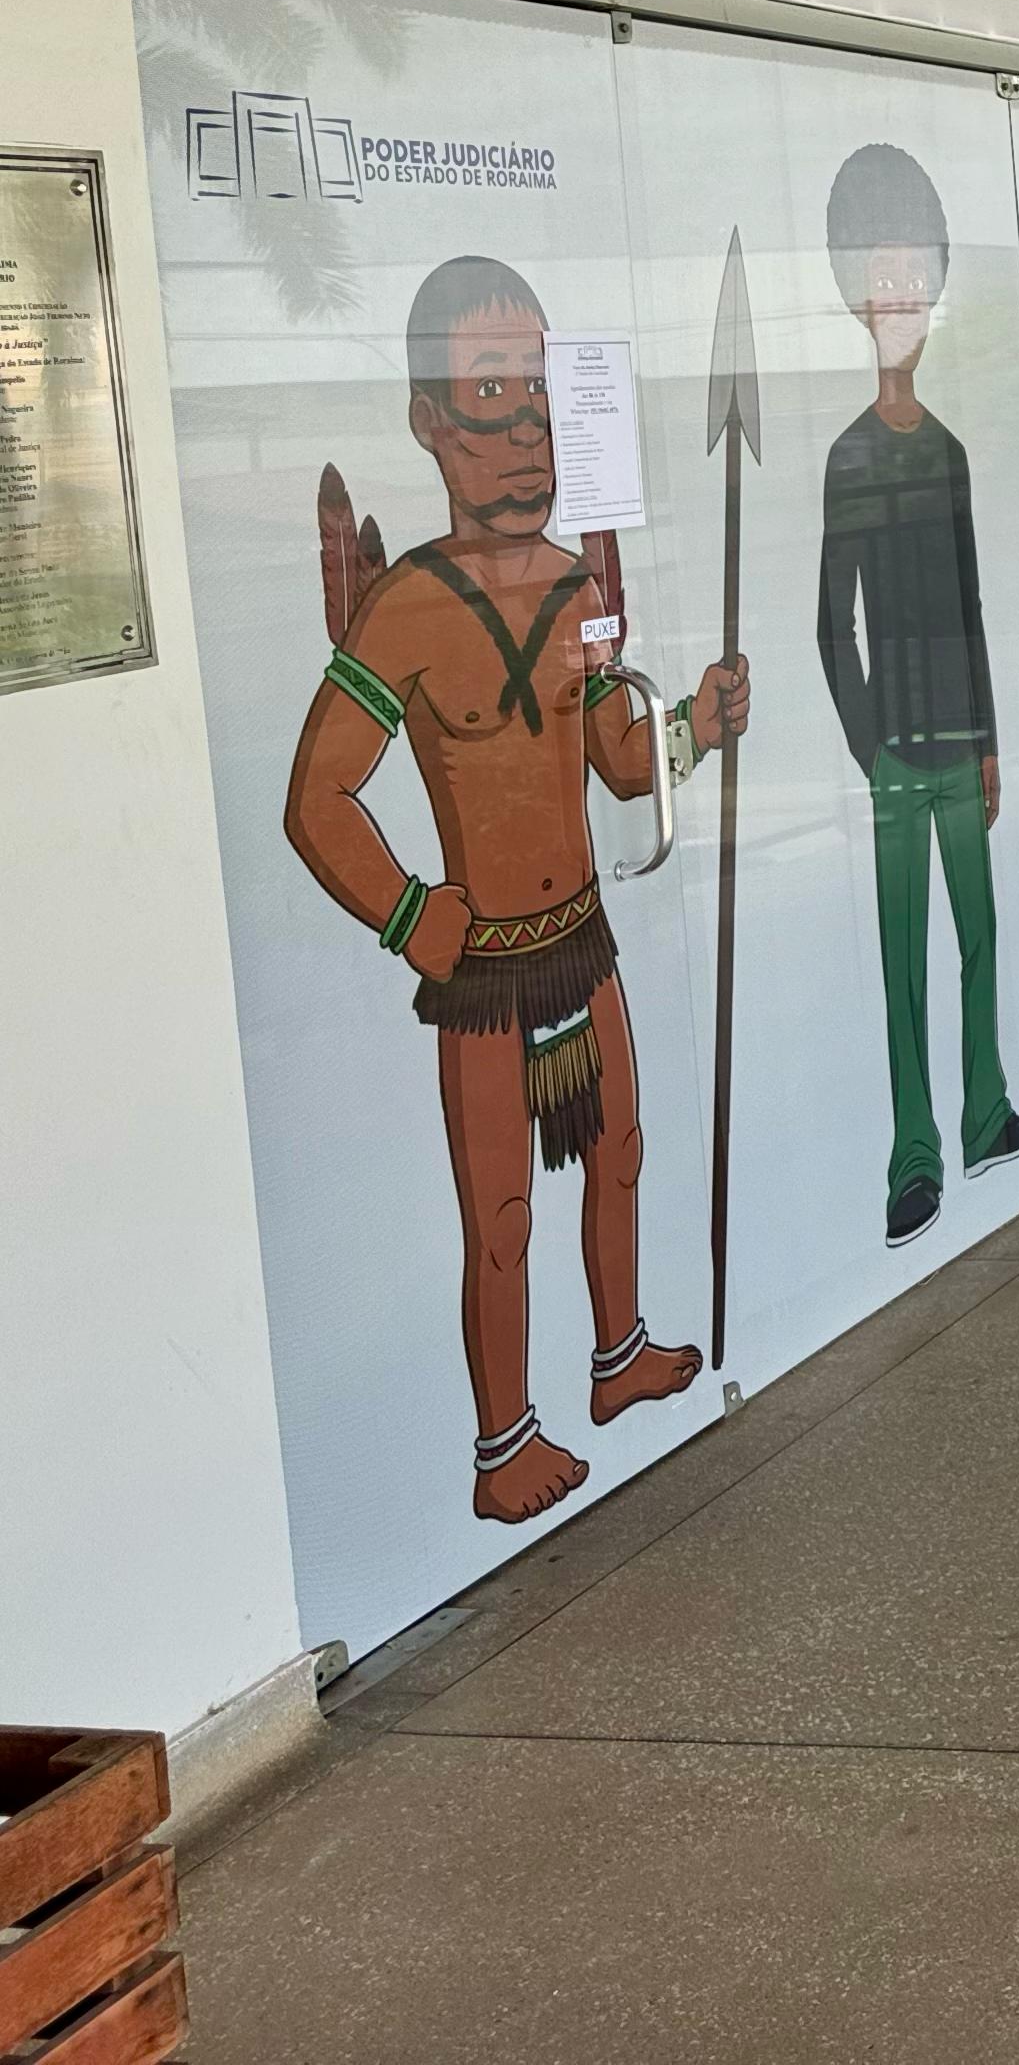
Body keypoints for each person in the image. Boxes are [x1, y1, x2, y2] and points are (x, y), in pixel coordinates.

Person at [283, 256, 744, 1522]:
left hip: (581, 942)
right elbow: (317, 798)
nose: (525, 426)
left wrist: (693, 727)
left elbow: (615, 758)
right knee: (498, 1211)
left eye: (538, 390)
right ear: (430, 420)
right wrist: (411, 915)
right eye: (492, 390)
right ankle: (502, 1447)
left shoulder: (574, 589)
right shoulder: (408, 610)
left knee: (621, 1151)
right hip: (486, 970)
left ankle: (618, 1356)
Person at [816, 145, 1019, 1249]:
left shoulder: (945, 453)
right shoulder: (851, 458)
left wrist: (989, 741)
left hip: (960, 746)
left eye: (916, 271)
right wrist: (872, 753)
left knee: (979, 937)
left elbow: (972, 604)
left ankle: (986, 1113)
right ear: (861, 295)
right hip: (900, 759)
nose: (900, 291)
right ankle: (916, 1159)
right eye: (882, 271)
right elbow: (830, 624)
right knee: (906, 958)